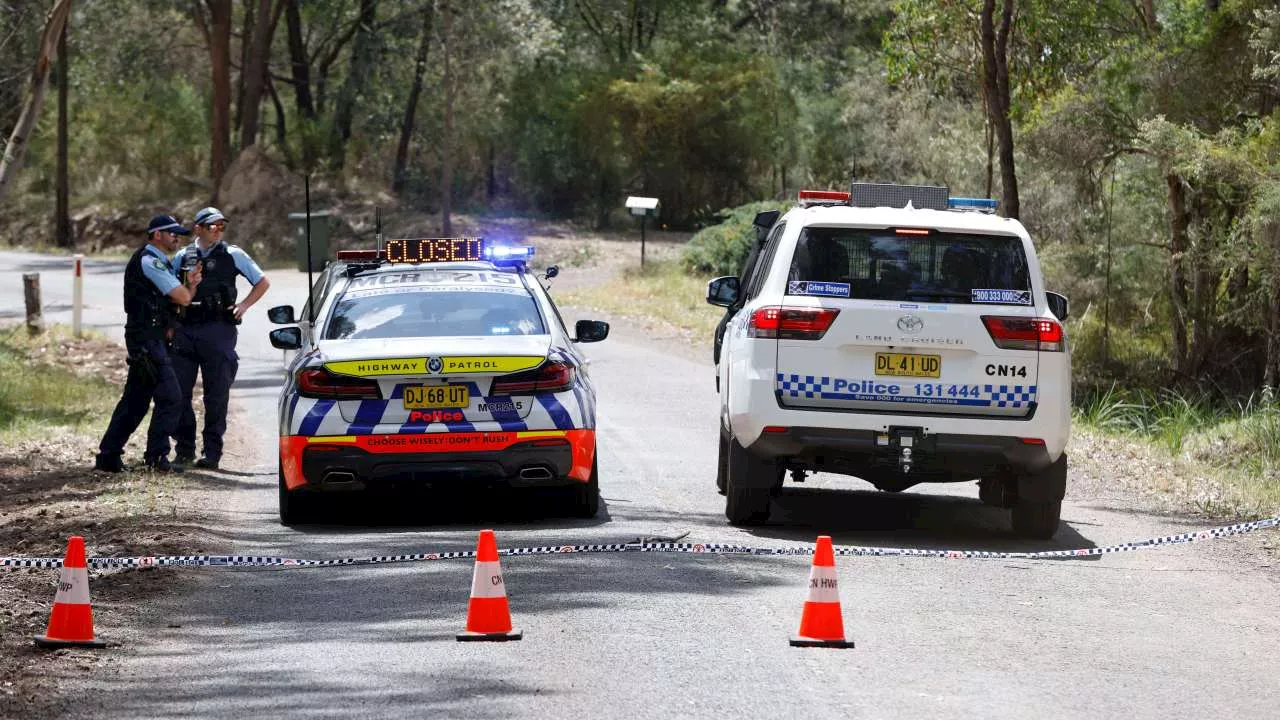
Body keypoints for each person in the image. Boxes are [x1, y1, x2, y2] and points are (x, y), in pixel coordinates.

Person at [94, 215, 203, 473]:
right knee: (171, 397)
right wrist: (188, 287)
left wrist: (191, 284)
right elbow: (183, 298)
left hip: (150, 338)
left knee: (136, 400)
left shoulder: (159, 261)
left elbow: (182, 298)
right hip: (147, 339)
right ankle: (156, 457)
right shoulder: (150, 261)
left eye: (178, 233)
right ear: (157, 235)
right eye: (171, 233)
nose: (177, 237)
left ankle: (108, 456)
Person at [168, 207, 270, 470]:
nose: (217, 230)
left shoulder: (233, 254)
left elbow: (262, 282)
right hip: (186, 329)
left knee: (216, 395)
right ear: (198, 228)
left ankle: (211, 453)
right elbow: (170, 291)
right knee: (179, 393)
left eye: (221, 226)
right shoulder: (182, 256)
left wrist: (244, 305)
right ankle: (184, 450)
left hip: (218, 330)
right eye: (212, 226)